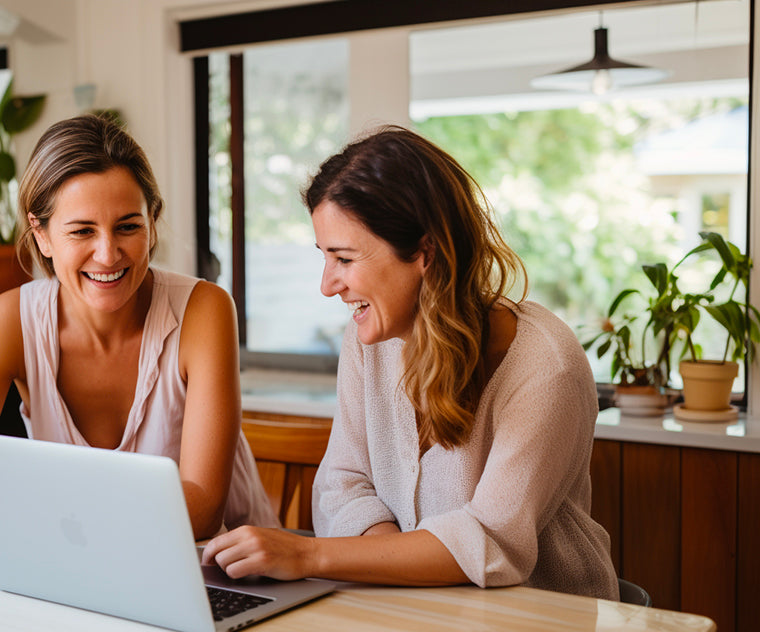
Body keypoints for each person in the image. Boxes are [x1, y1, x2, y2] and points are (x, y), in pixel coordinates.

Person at [203, 125, 619, 600]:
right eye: (324, 256)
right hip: (419, 617)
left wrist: (309, 556)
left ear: (425, 251)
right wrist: (395, 562)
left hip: (543, 626)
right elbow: (342, 483)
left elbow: (491, 541)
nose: (327, 284)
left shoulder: (545, 366)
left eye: (343, 257)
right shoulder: (368, 339)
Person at [0, 114, 278, 569]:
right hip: (86, 564)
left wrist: (42, 521)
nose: (107, 254)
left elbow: (200, 509)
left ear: (152, 223)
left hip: (222, 575)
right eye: (82, 231)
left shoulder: (204, 310)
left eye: (128, 226)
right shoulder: (10, 323)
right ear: (40, 234)